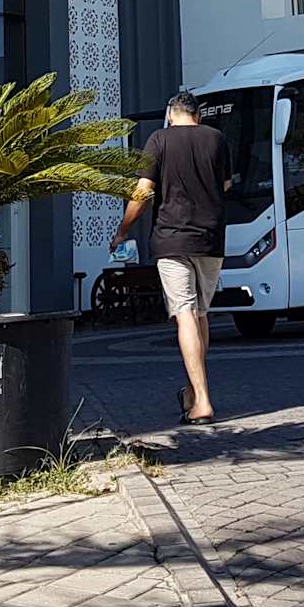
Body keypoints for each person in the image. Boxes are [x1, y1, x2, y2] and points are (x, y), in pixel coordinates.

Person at [114, 92, 227, 424]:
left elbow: (143, 191)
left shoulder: (159, 140)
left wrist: (122, 229)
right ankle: (193, 392)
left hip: (172, 239)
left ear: (170, 114)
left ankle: (202, 401)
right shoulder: (217, 139)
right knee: (200, 314)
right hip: (210, 240)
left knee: (185, 314)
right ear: (198, 115)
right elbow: (225, 185)